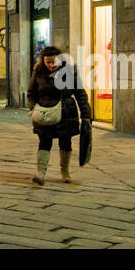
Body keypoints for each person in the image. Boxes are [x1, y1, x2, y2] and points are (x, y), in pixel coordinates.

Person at [28, 46, 92, 186]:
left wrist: (86, 114)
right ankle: (40, 173)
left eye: (53, 62)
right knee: (44, 142)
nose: (51, 65)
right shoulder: (38, 73)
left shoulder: (69, 73)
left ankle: (65, 172)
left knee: (65, 142)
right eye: (48, 62)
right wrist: (33, 107)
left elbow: (80, 94)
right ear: (43, 61)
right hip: (45, 113)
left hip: (66, 113)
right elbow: (31, 93)